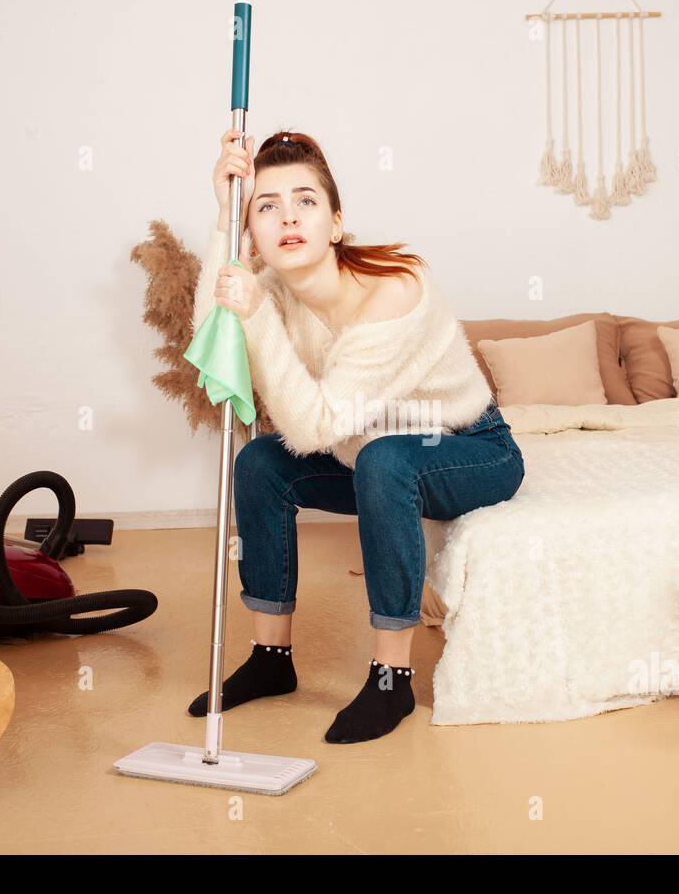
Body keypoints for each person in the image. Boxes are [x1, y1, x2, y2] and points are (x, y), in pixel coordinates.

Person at [186, 127, 525, 744]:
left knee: (386, 460)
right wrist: (221, 223)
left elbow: (314, 427)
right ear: (254, 235)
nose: (288, 216)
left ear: (337, 222)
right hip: (365, 451)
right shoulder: (273, 290)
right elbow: (212, 338)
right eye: (266, 206)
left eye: (306, 201)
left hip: (470, 449)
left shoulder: (395, 292)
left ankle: (391, 677)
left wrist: (255, 314)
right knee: (261, 462)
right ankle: (270, 659)